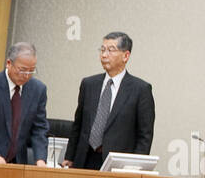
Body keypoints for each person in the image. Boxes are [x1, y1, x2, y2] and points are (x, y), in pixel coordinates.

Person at [63, 31, 154, 169]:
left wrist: (136, 167)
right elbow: (78, 125)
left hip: (118, 164)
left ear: (126, 56)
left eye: (111, 50)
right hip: (85, 159)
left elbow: (144, 135)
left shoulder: (141, 89)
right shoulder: (88, 84)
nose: (104, 55)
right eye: (102, 49)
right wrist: (69, 156)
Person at [0, 42, 49, 165]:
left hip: (17, 163)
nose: (26, 76)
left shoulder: (38, 90)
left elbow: (39, 128)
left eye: (31, 71)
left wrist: (41, 160)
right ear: (9, 63)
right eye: (22, 70)